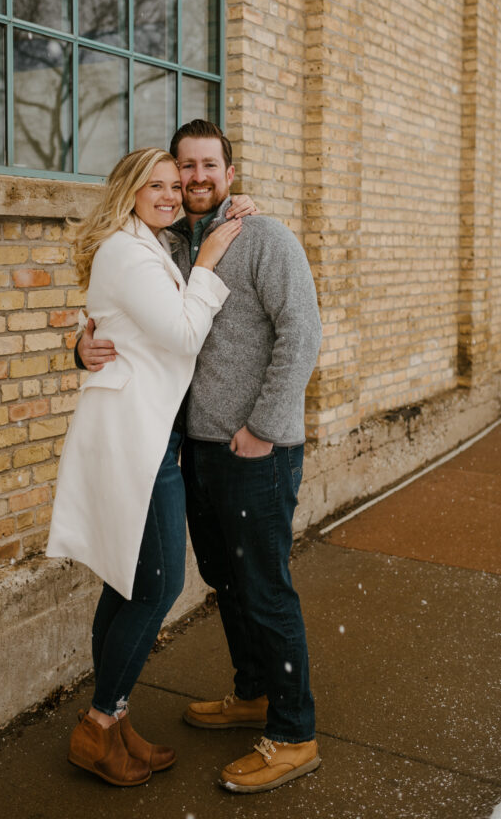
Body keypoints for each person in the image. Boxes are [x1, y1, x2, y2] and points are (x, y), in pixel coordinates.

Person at [77, 119, 323, 794]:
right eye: (183, 167)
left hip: (254, 447)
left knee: (265, 588)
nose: (194, 179)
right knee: (226, 578)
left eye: (207, 166)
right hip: (197, 449)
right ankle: (252, 694)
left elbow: (302, 334)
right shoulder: (175, 245)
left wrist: (264, 426)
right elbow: (130, 313)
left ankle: (291, 733)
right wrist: (80, 343)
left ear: (229, 173)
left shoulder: (264, 238)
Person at [46, 146, 243, 788]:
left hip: (145, 430)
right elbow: (184, 334)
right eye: (153, 185)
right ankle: (100, 725)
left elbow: (113, 319)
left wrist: (83, 338)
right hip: (137, 436)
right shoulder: (131, 251)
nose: (167, 193)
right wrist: (210, 264)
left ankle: (113, 719)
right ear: (129, 190)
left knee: (124, 582)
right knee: (155, 587)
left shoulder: (147, 244)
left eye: (171, 184)